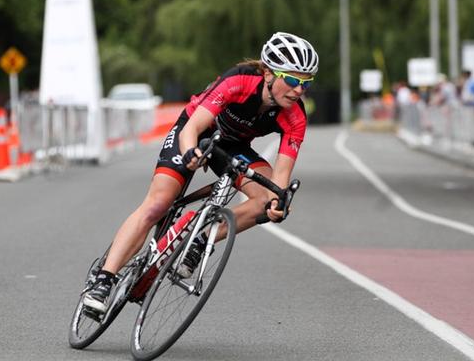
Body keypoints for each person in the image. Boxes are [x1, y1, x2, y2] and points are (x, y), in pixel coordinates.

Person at [83, 32, 319, 313]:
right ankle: (104, 279)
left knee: (266, 198)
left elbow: (280, 177)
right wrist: (190, 153)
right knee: (158, 203)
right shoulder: (240, 80)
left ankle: (201, 239)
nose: (298, 90)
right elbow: (193, 128)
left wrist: (278, 205)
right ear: (268, 73)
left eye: (305, 83)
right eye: (292, 80)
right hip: (197, 132)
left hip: (235, 146)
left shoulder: (295, 116)